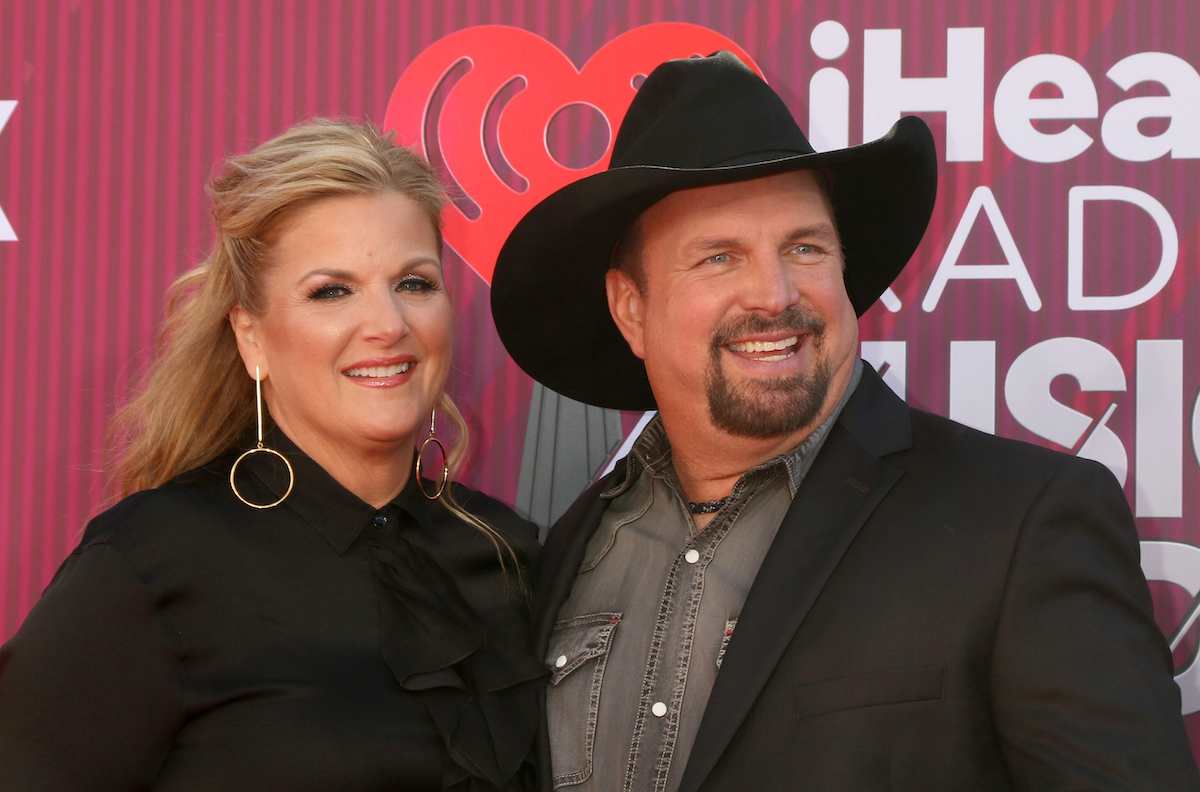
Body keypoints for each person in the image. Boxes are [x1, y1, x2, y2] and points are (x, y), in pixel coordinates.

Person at [489, 51, 1200, 791]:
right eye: (719, 257)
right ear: (631, 308)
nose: (774, 293)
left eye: (805, 247)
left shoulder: (1023, 522)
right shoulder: (573, 546)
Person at [0, 120, 544, 792]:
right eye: (331, 291)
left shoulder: (508, 554)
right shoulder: (152, 564)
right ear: (251, 337)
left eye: (415, 283)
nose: (388, 325)